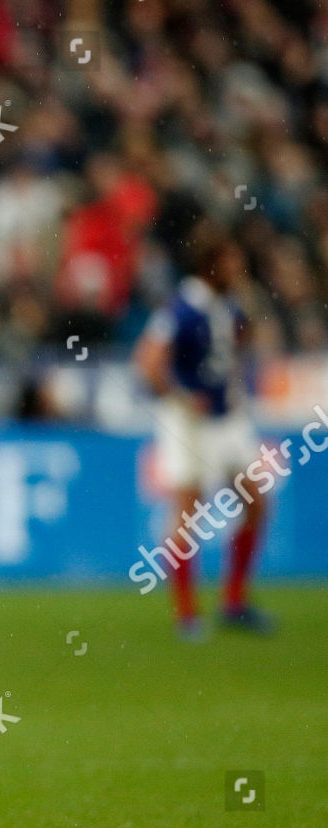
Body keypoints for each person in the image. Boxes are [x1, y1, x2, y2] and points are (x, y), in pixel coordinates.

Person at [134, 222, 273, 641]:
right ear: (212, 265)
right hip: (191, 421)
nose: (239, 269)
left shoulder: (225, 304)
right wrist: (178, 397)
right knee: (188, 510)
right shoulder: (182, 307)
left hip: (227, 416)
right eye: (231, 262)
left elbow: (244, 339)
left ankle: (233, 602)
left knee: (256, 501)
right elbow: (148, 360)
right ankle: (187, 613)